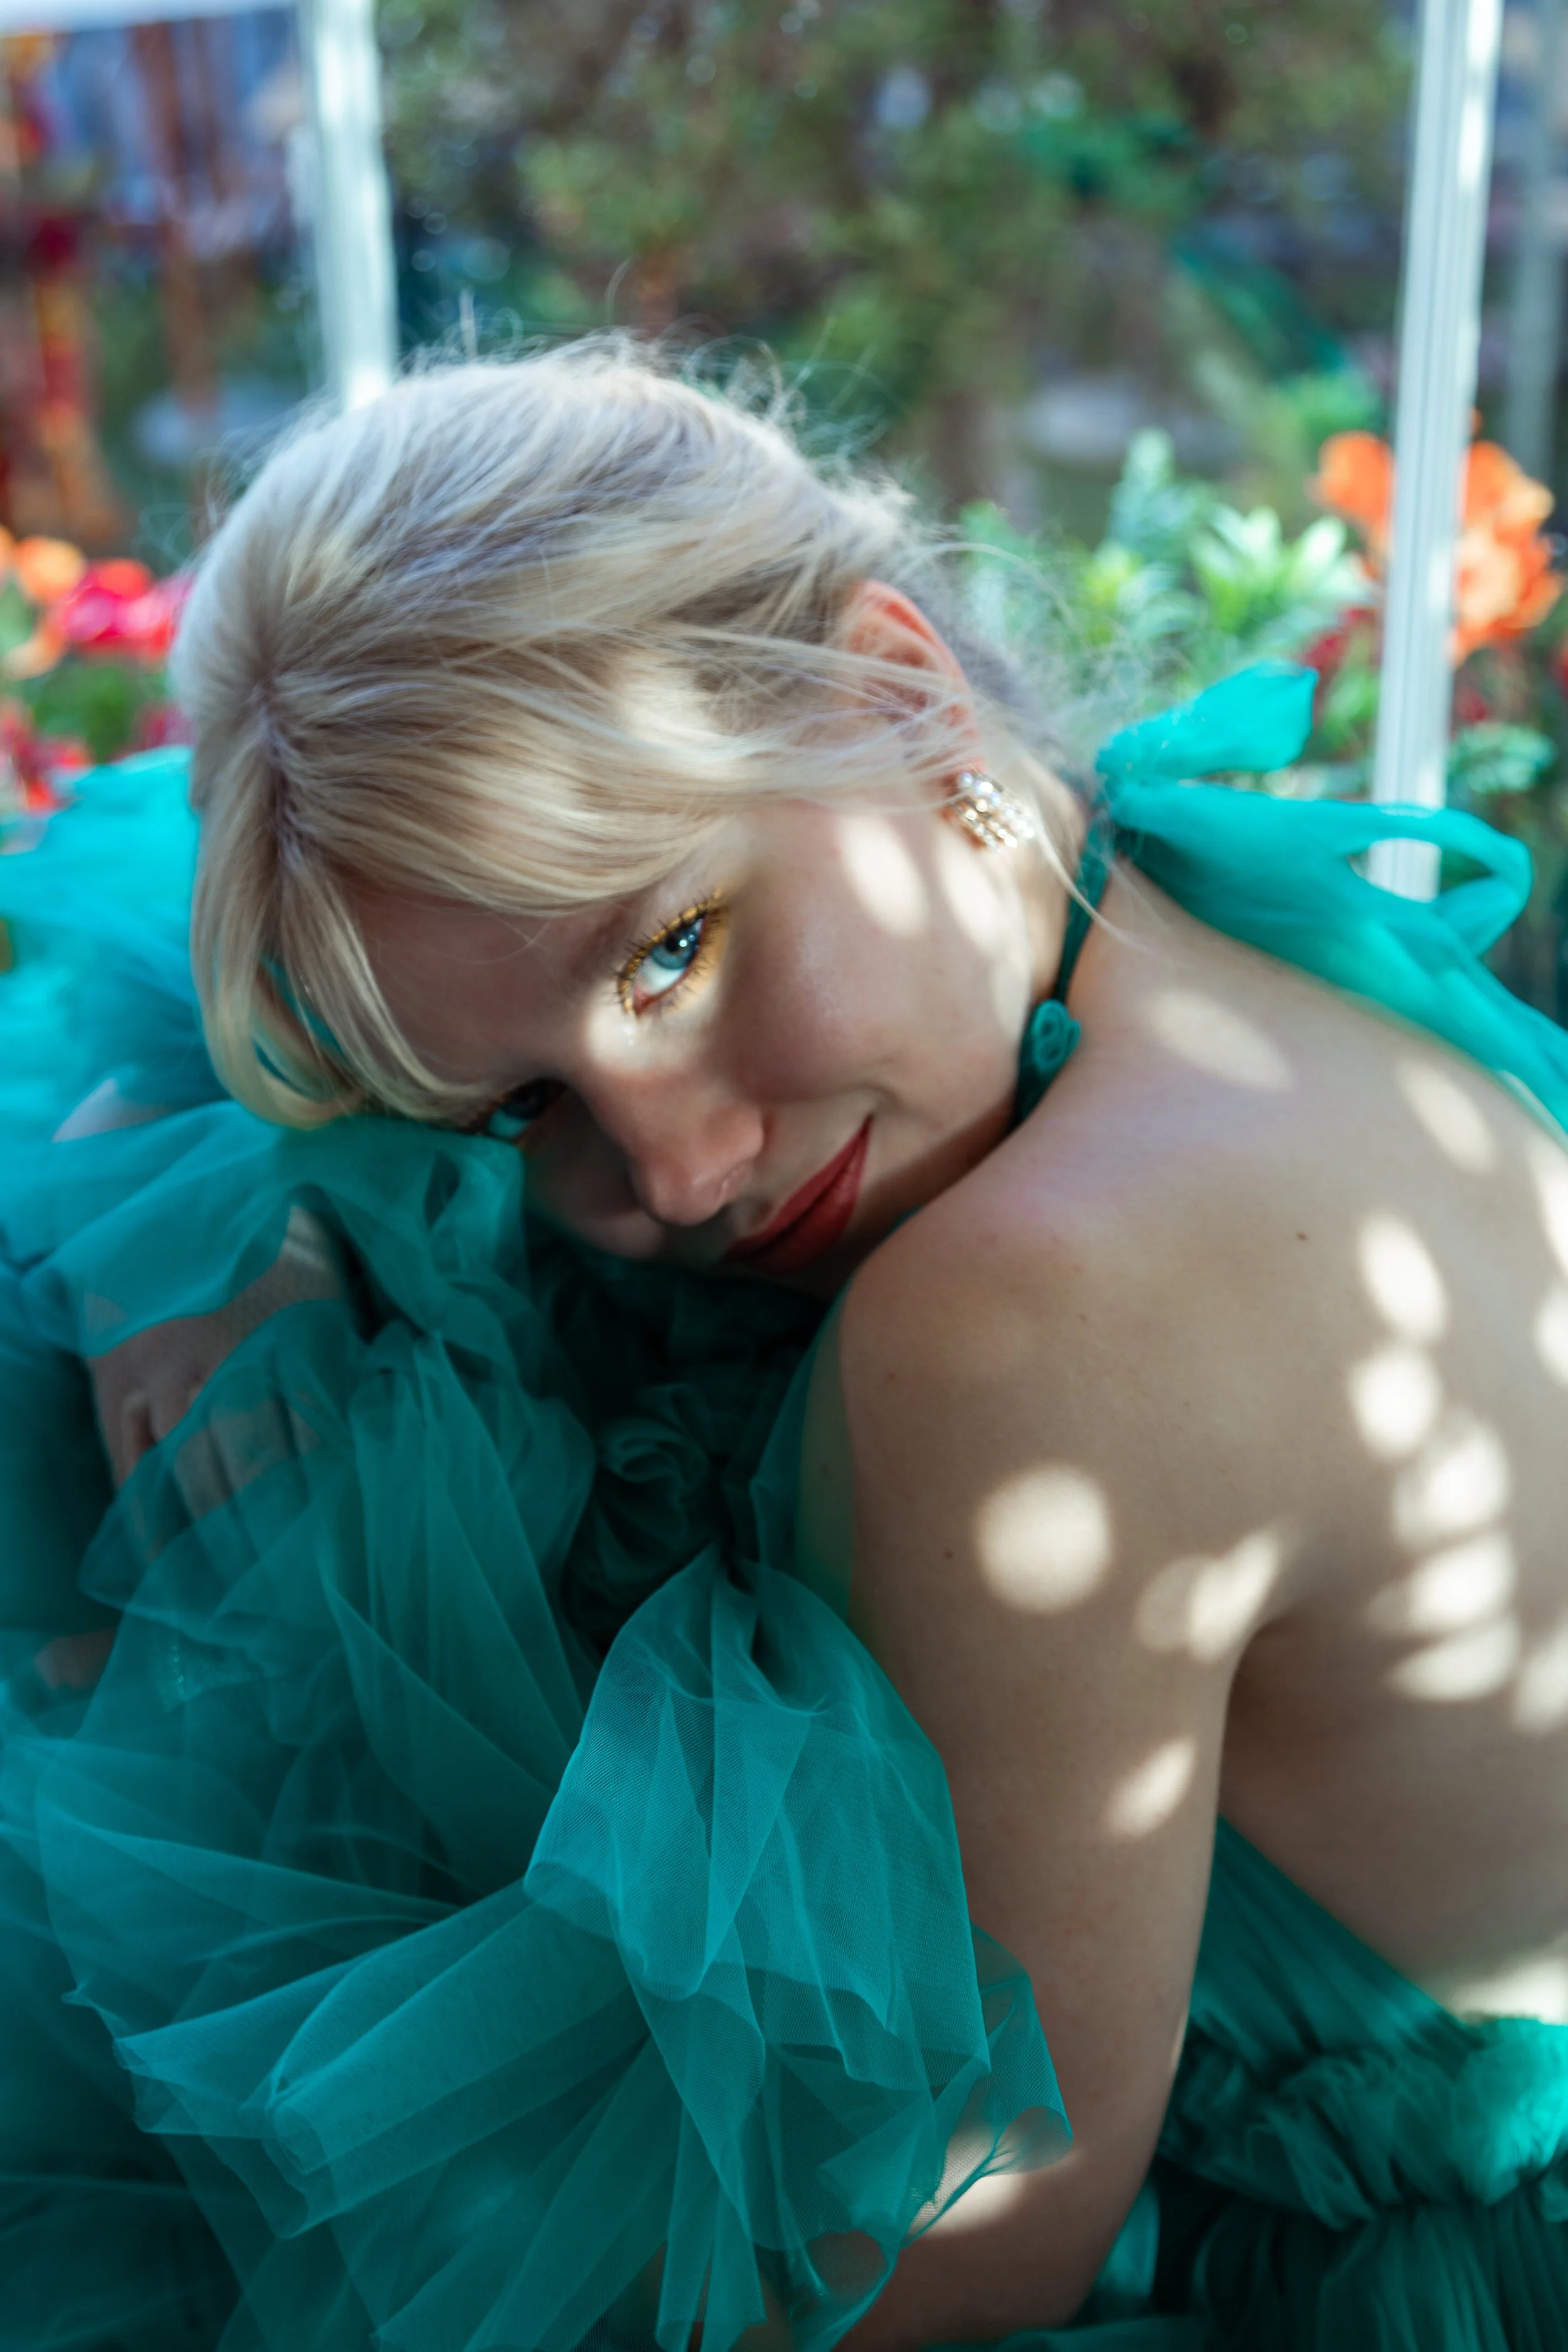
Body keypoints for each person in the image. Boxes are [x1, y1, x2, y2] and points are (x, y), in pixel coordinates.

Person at [4, 341, 1568, 2352]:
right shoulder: (1174, 900)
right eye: (518, 1106)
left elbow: (960, 2242)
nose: (671, 1167)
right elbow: (332, 863)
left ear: (896, 685)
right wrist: (186, 1204)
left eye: (673, 948)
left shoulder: (1030, 1315)